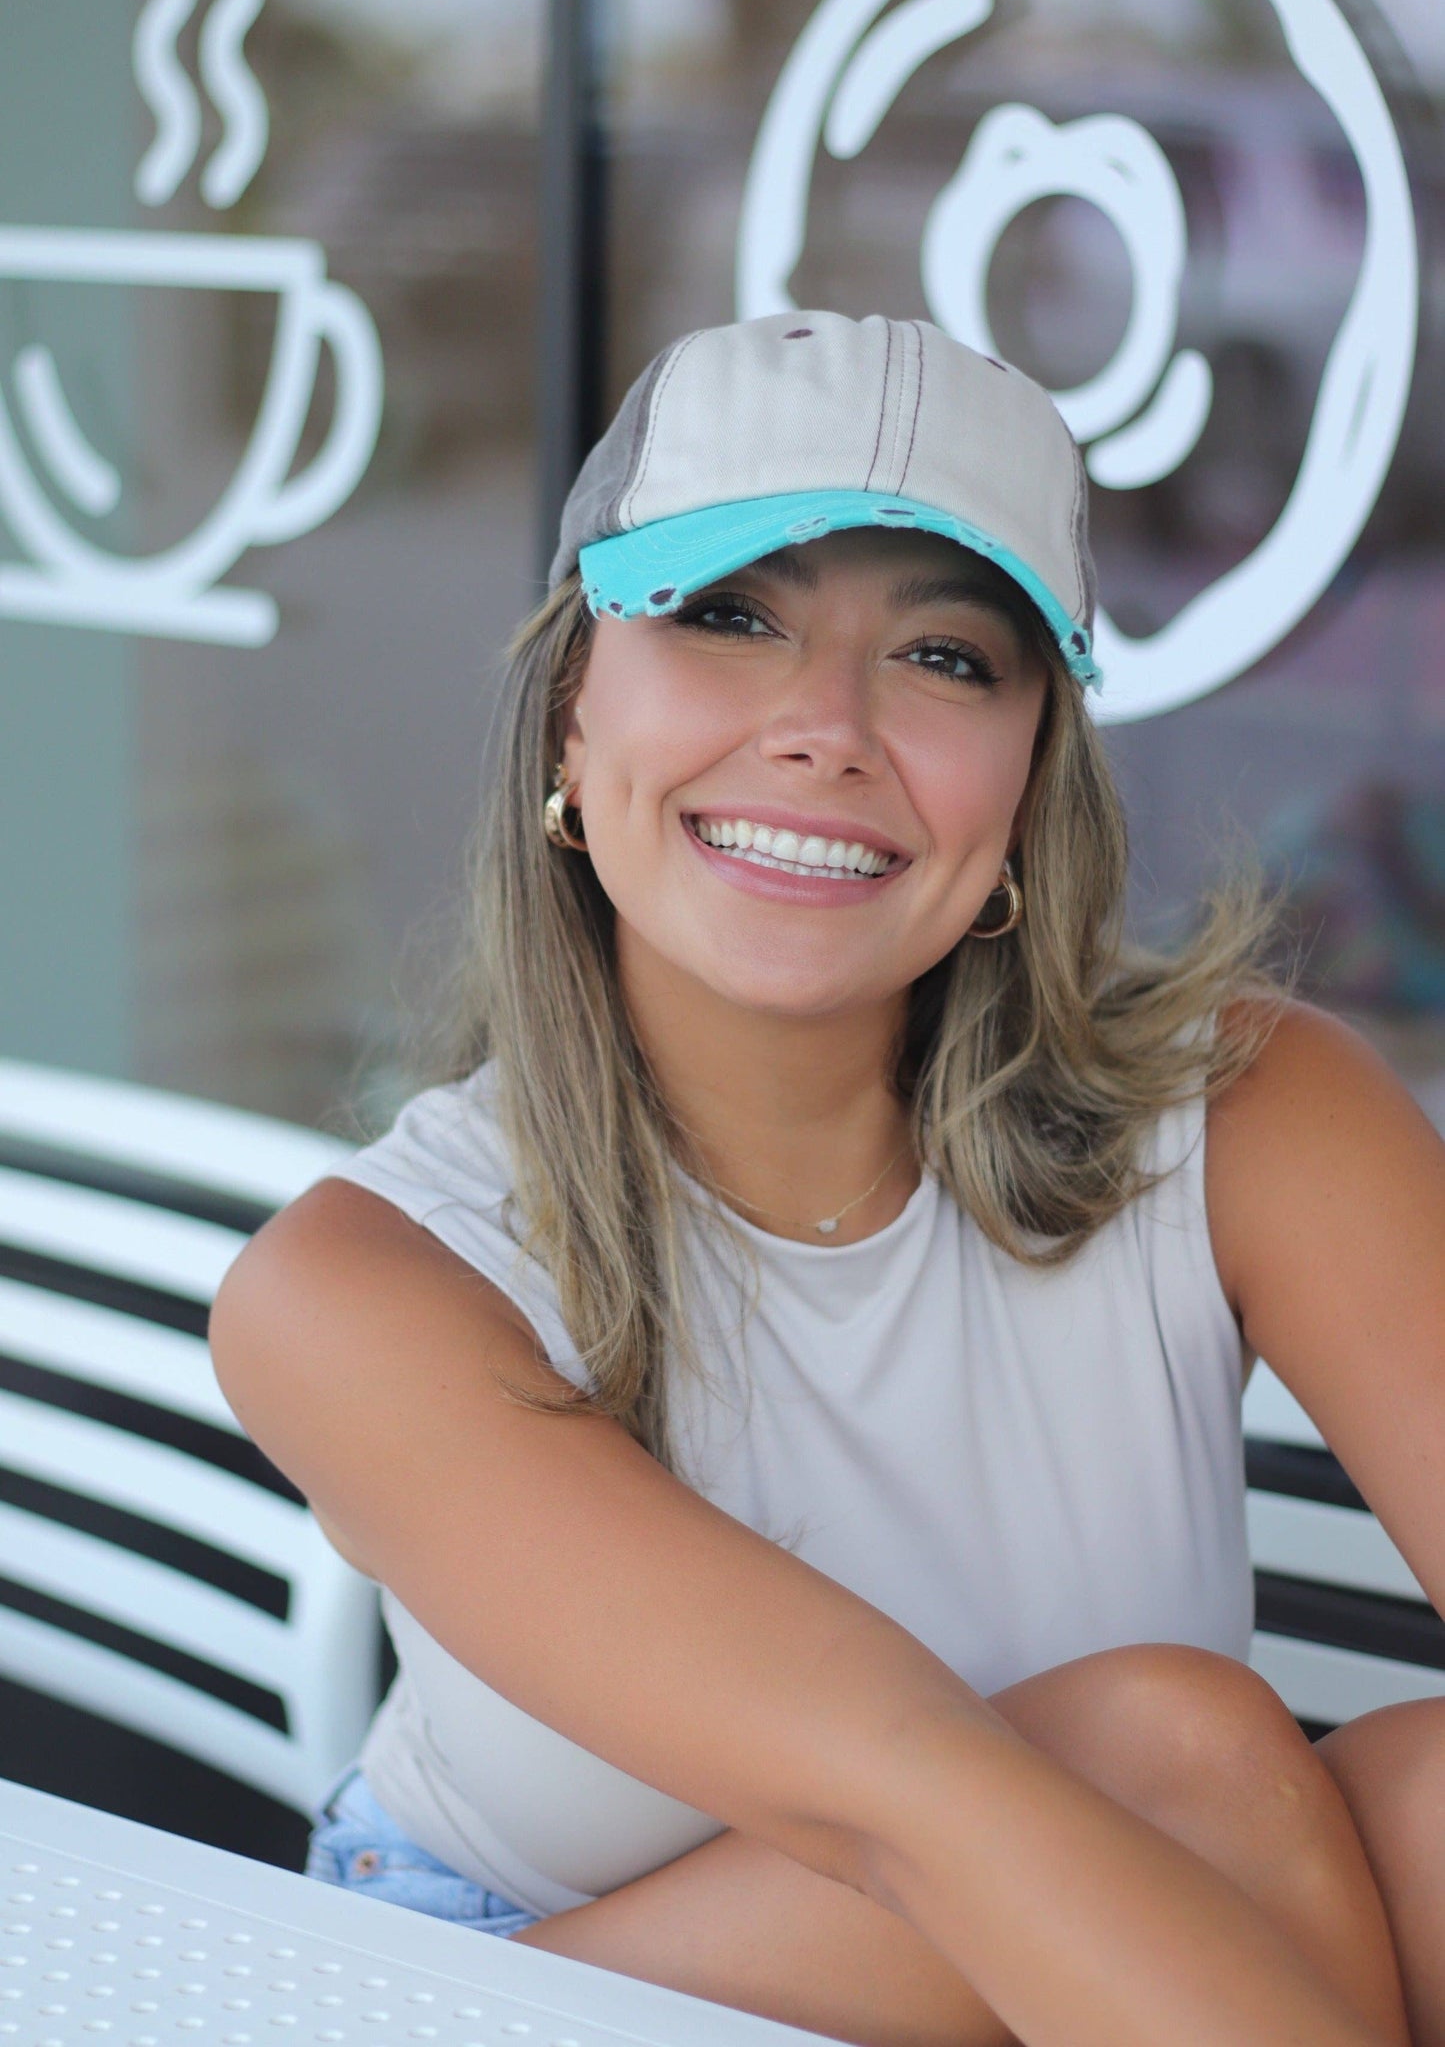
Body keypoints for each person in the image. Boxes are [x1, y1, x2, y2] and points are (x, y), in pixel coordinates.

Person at [210, 312, 1445, 2047]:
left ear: (1028, 777)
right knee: (1173, 1762)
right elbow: (911, 1801)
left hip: (1081, 1908)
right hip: (502, 1986)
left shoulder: (1245, 1110)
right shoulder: (364, 1288)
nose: (826, 729)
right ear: (570, 717)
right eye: (727, 617)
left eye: (945, 657)